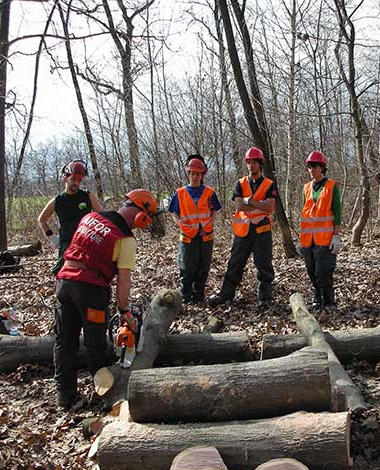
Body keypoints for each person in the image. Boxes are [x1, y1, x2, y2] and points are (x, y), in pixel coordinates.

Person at [53, 189, 160, 409]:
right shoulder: (126, 239)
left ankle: (65, 395)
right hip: (90, 290)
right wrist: (124, 311)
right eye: (146, 218)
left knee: (64, 341)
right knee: (96, 344)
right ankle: (102, 396)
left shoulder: (90, 217)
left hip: (64, 282)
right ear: (139, 213)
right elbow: (124, 280)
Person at [208, 146, 277, 308]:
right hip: (243, 230)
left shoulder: (269, 184)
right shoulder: (240, 183)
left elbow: (270, 207)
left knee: (264, 264)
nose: (251, 165)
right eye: (248, 162)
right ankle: (226, 294)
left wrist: (250, 201)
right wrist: (258, 203)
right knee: (235, 262)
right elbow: (239, 206)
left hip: (262, 230)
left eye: (254, 162)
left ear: (260, 164)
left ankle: (265, 297)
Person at [168, 154, 222, 303]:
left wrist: (210, 224)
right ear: (189, 174)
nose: (195, 177)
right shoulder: (180, 193)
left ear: (202, 174)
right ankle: (185, 296)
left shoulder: (209, 192)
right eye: (193, 173)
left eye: (198, 174)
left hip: (206, 235)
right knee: (187, 267)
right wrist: (180, 224)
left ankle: (199, 295)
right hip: (187, 235)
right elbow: (174, 212)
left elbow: (215, 210)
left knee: (203, 267)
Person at [38, 160, 103, 272]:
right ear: (65, 178)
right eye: (73, 179)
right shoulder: (57, 201)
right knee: (63, 273)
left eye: (79, 180)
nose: (76, 183)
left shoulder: (87, 196)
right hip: (67, 243)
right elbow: (42, 219)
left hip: (87, 242)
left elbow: (101, 217)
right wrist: (52, 238)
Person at [298, 150, 342, 310]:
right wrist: (301, 240)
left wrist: (336, 236)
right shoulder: (306, 188)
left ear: (322, 167)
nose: (312, 170)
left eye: (315, 166)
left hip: (325, 238)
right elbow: (305, 214)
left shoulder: (331, 186)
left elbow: (337, 212)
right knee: (312, 271)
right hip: (308, 240)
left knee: (323, 272)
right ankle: (317, 298)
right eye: (309, 167)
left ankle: (329, 301)